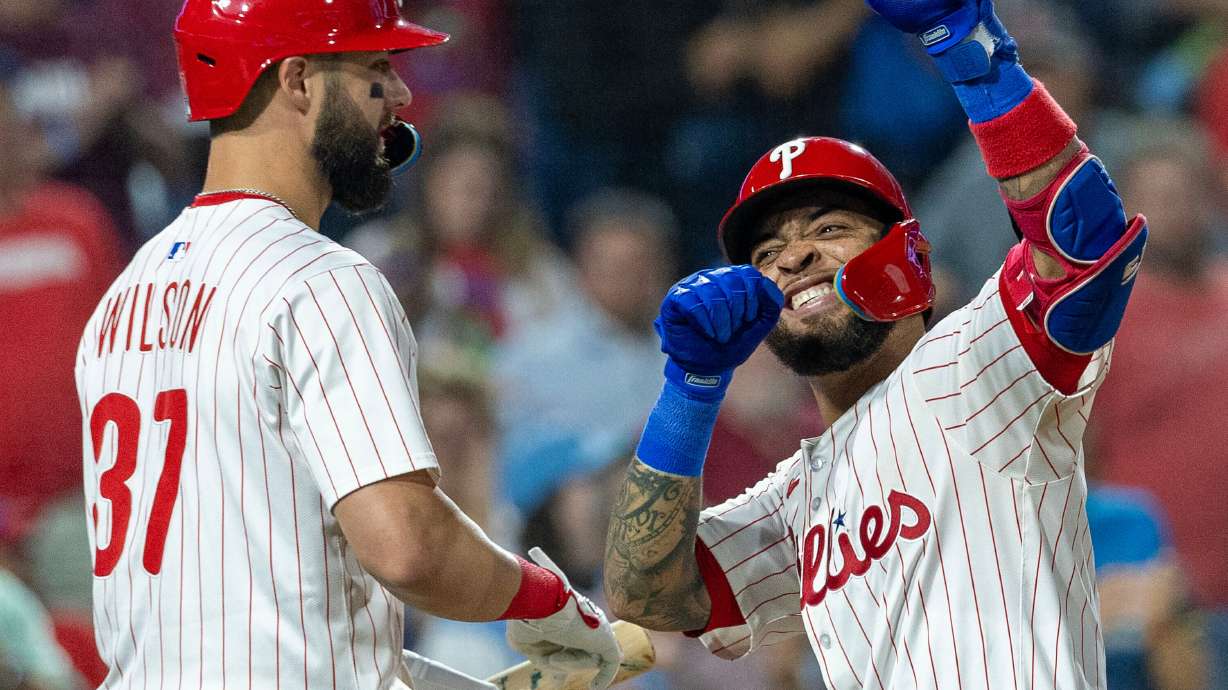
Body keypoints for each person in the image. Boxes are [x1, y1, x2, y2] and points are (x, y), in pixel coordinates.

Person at [603, 0, 1149, 687]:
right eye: (768, 251)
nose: (794, 256)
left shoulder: (977, 363)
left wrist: (971, 53)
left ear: (910, 259)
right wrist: (690, 388)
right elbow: (645, 594)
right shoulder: (794, 500)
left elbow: (1084, 245)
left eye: (829, 229)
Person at [74, 1, 619, 689]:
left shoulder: (122, 296)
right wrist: (548, 598)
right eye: (375, 70)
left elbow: (247, 589)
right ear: (299, 82)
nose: (401, 95)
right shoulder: (322, 278)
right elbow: (409, 547)